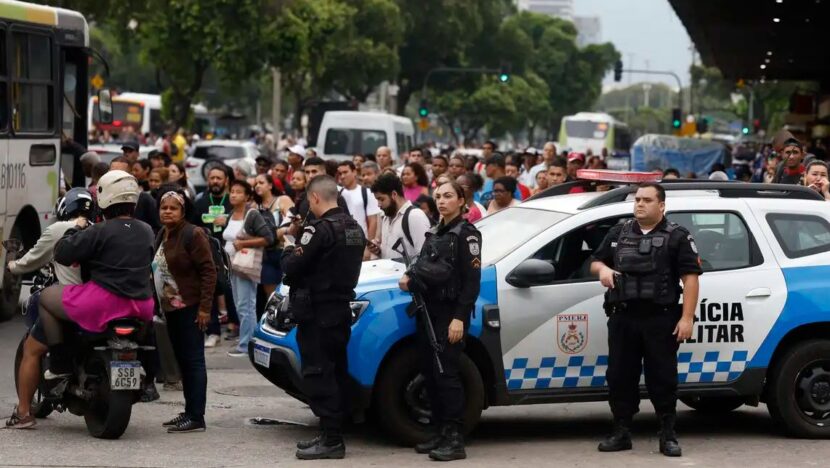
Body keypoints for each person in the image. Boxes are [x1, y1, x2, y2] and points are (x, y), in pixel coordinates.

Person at [589, 183, 702, 458]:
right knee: (619, 377)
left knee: (662, 378)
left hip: (660, 319)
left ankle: (668, 434)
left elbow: (690, 278)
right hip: (623, 317)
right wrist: (602, 270)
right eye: (638, 199)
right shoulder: (619, 233)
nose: (640, 204)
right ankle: (621, 432)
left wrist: (687, 318)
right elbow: (594, 261)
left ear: (661, 205)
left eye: (647, 200)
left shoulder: (677, 236)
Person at [38, 171, 156, 379]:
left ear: (103, 198)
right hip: (142, 305)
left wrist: (74, 229)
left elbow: (63, 253)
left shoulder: (99, 230)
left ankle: (60, 364)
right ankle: (146, 375)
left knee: (45, 297)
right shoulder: (147, 230)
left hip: (103, 303)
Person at [281, 175, 366, 460]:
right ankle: (331, 432)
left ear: (315, 197)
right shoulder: (354, 227)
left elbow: (292, 266)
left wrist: (288, 247)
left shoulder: (318, 230)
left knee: (319, 374)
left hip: (318, 311)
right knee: (336, 371)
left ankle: (332, 440)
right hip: (339, 309)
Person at [399, 180, 481, 461]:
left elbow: (471, 283)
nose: (442, 201)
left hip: (449, 313)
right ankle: (440, 432)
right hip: (428, 311)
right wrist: (410, 276)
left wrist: (459, 318)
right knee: (430, 372)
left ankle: (455, 439)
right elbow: (422, 263)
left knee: (447, 374)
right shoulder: (436, 232)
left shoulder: (467, 235)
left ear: (461, 200)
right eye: (438, 196)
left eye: (448, 196)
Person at [5, 189, 92, 429]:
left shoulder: (59, 229)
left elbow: (32, 260)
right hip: (99, 302)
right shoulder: (100, 229)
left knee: (31, 350)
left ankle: (23, 413)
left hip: (69, 301)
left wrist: (12, 266)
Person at [154, 188, 216, 433]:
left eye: (173, 208)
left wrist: (205, 309)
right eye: (164, 207)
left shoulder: (193, 233)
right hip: (171, 309)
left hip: (191, 308)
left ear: (183, 211)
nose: (168, 212)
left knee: (193, 362)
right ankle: (189, 411)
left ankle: (196, 416)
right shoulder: (163, 233)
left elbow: (209, 272)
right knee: (183, 361)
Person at [224, 180, 274, 357]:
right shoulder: (231, 214)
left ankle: (247, 345)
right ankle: (246, 339)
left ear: (247, 197)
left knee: (246, 305)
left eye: (238, 192)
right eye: (232, 191)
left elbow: (268, 238)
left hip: (245, 266)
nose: (234, 195)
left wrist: (243, 243)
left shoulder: (252, 214)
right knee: (240, 304)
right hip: (232, 265)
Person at [190, 164, 235, 347]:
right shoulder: (200, 203)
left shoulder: (232, 201)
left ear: (226, 180)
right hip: (207, 253)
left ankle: (235, 324)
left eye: (219, 178)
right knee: (210, 290)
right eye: (212, 178)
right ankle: (213, 331)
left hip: (230, 252)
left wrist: (227, 220)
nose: (215, 181)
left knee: (231, 289)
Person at [369, 173, 431, 260]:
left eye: (381, 199)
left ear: (394, 194)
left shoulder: (415, 216)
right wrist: (379, 251)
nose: (378, 205)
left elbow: (425, 257)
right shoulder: (386, 217)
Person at [254, 173, 294, 299]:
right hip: (266, 254)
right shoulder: (254, 206)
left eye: (261, 183)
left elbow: (294, 220)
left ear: (270, 185)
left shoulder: (282, 200)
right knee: (271, 297)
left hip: (284, 250)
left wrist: (282, 230)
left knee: (288, 292)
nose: (257, 186)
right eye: (255, 184)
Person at [336, 162, 381, 258]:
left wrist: (369, 247)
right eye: (340, 173)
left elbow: (373, 221)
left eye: (345, 172)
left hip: (362, 241)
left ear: (354, 172)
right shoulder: (337, 194)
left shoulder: (366, 192)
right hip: (342, 244)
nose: (342, 176)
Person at [110, 157, 161, 231]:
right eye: (111, 173)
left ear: (130, 175)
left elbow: (157, 228)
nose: (115, 177)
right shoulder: (103, 197)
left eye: (120, 174)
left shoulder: (144, 199)